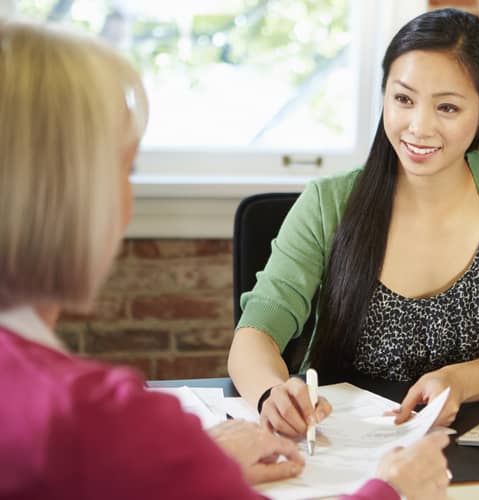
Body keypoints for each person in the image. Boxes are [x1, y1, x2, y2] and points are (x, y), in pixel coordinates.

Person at [0, 20, 450, 500]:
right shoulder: (90, 420)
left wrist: (179, 464)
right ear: (71, 198)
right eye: (124, 169)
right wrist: (394, 489)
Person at [228, 7, 479, 438]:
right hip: (339, 444)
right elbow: (254, 334)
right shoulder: (327, 202)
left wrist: (459, 382)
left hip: (472, 441)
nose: (419, 127)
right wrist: (273, 394)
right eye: (403, 99)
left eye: (448, 107)